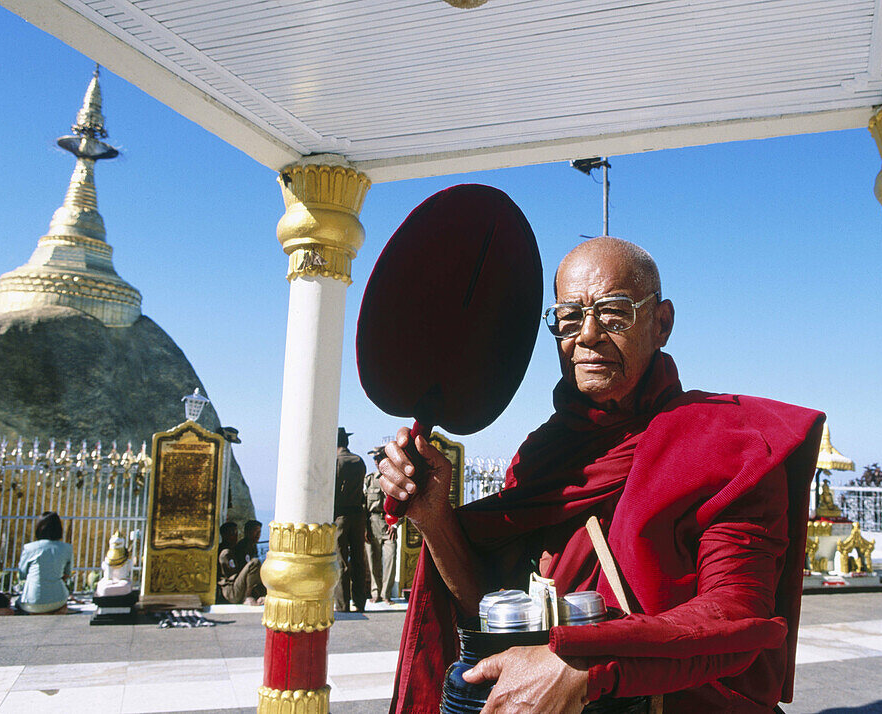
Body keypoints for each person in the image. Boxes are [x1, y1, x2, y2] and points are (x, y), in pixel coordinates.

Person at [380, 236, 824, 712]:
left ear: (662, 323)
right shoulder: (544, 456)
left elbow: (735, 613)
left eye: (614, 311)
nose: (588, 335)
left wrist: (586, 667)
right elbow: (495, 612)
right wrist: (435, 519)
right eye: (570, 317)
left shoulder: (728, 444)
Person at [333, 426, 369, 612]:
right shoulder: (359, 461)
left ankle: (342, 604)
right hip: (358, 515)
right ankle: (360, 602)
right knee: (358, 560)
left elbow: (333, 490)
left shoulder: (337, 462)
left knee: (341, 561)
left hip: (341, 516)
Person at [17, 511, 74, 614]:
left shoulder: (29, 548)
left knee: (18, 603)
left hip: (31, 602)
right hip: (58, 600)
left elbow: (22, 574)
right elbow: (67, 574)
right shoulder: (67, 548)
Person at [364, 446, 397, 605]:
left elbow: (402, 504)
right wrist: (365, 527)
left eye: (379, 458)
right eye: (375, 459)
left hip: (390, 523)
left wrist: (396, 525)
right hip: (373, 522)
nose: (377, 462)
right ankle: (375, 593)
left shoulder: (395, 478)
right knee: (373, 559)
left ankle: (386, 594)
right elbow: (363, 505)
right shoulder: (370, 479)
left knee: (390, 558)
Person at [218, 520, 265, 605]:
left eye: (236, 532)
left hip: (235, 589)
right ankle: (247, 597)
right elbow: (235, 576)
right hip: (231, 591)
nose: (235, 535)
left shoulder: (243, 547)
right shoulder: (226, 552)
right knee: (255, 563)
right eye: (232, 533)